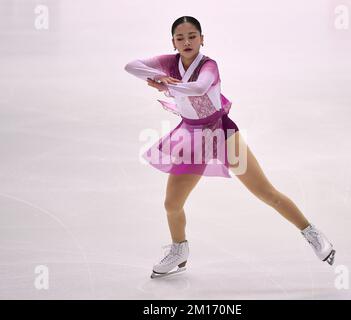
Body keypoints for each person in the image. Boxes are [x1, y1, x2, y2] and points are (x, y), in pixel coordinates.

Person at [124, 16, 336, 279]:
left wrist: (167, 83)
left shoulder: (209, 65)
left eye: (192, 36)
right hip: (192, 135)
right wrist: (160, 76)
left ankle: (311, 232)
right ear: (173, 43)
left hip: (222, 133)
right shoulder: (170, 62)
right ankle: (180, 249)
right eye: (180, 38)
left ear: (202, 39)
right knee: (172, 203)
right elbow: (131, 66)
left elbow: (200, 87)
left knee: (265, 192)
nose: (187, 41)